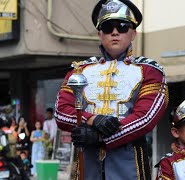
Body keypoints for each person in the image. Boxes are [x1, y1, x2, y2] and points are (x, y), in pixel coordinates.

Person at [54, 0, 168, 179]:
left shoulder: (150, 71)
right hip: (87, 163)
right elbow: (62, 112)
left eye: (122, 26)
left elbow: (145, 118)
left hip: (129, 164)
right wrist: (93, 119)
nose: (115, 32)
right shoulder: (78, 70)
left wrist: (100, 138)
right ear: (100, 34)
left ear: (133, 33)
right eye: (108, 27)